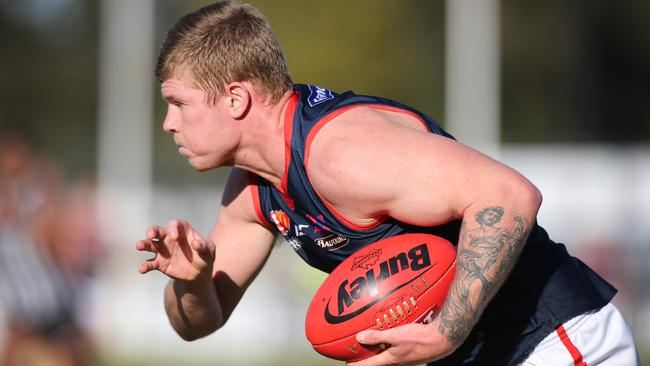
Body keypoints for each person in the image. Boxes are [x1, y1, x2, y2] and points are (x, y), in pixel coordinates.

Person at [136, 2, 640, 365]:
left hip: (553, 342)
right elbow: (197, 324)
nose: (168, 123)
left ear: (235, 99)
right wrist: (193, 280)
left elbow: (509, 196)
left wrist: (445, 332)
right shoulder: (253, 191)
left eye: (178, 103)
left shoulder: (341, 153)